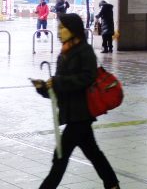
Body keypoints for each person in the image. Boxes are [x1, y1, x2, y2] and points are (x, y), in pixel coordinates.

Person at [31, 13, 120, 189]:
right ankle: (112, 185)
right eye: (58, 28)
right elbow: (60, 86)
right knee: (93, 153)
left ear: (73, 30)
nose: (59, 32)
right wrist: (44, 88)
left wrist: (57, 82)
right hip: (71, 113)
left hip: (80, 114)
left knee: (60, 157)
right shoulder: (64, 53)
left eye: (62, 28)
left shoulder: (85, 51)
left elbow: (87, 78)